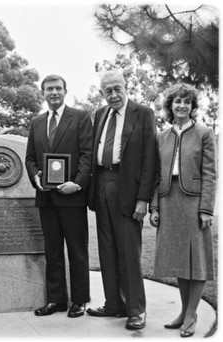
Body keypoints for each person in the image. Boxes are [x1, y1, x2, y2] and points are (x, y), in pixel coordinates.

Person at [87, 70, 156, 330]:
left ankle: (136, 310)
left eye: (117, 89)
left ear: (126, 87)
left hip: (127, 187)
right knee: (107, 248)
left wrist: (143, 199)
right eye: (108, 91)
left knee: (129, 251)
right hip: (102, 183)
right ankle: (114, 303)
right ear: (102, 93)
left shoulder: (143, 113)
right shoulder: (100, 114)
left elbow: (150, 159)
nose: (114, 95)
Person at [149, 83, 216, 338]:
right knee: (179, 260)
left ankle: (191, 315)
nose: (182, 105)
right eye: (177, 101)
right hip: (168, 200)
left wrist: (206, 209)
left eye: (187, 102)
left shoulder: (204, 133)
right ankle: (184, 311)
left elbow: (210, 174)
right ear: (170, 106)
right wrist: (154, 206)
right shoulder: (161, 136)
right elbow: (156, 174)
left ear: (192, 107)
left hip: (194, 203)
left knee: (196, 260)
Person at [25, 74, 93, 318]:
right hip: (46, 198)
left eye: (57, 88)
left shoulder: (81, 117)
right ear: (43, 93)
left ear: (65, 91)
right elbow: (30, 158)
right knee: (52, 250)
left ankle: (79, 300)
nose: (53, 93)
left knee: (77, 250)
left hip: (72, 197)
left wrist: (77, 183)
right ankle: (56, 300)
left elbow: (87, 154)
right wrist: (35, 178)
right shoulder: (36, 122)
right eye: (48, 89)